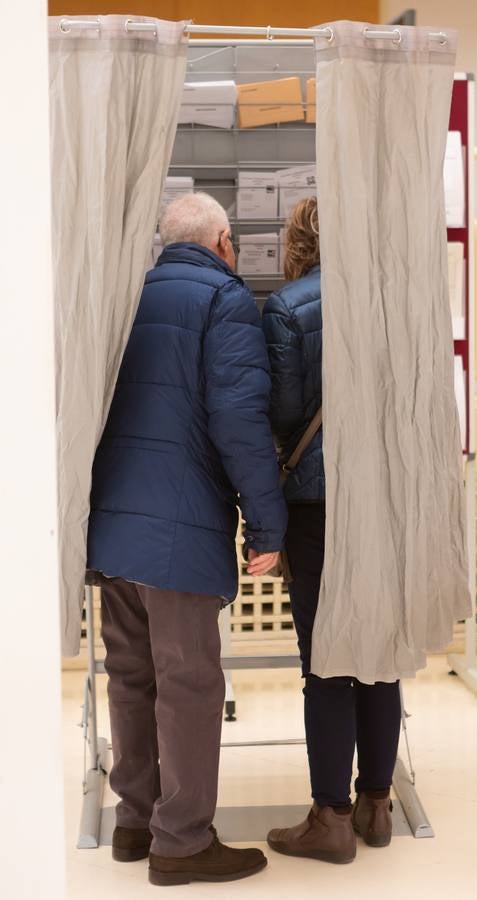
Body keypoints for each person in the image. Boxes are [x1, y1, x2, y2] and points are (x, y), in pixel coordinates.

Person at [87, 192, 287, 886]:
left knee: (130, 676)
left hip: (112, 524)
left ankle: (133, 822)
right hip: (178, 527)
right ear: (224, 242)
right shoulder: (224, 301)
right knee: (190, 683)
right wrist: (267, 525)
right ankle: (182, 843)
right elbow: (239, 422)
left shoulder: (122, 292)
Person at [262, 197, 401, 864]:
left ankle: (330, 819)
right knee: (375, 651)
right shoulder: (390, 304)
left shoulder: (288, 307)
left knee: (326, 659)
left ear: (296, 240)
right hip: (382, 500)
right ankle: (376, 803)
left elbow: (286, 410)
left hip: (316, 502)